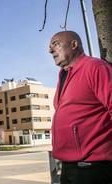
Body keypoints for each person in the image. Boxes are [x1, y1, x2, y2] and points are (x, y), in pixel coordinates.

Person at [49, 31, 112, 184]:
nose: (50, 50)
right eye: (50, 47)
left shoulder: (95, 67)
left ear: (74, 44)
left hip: (93, 167)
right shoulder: (63, 76)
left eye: (55, 44)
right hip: (69, 166)